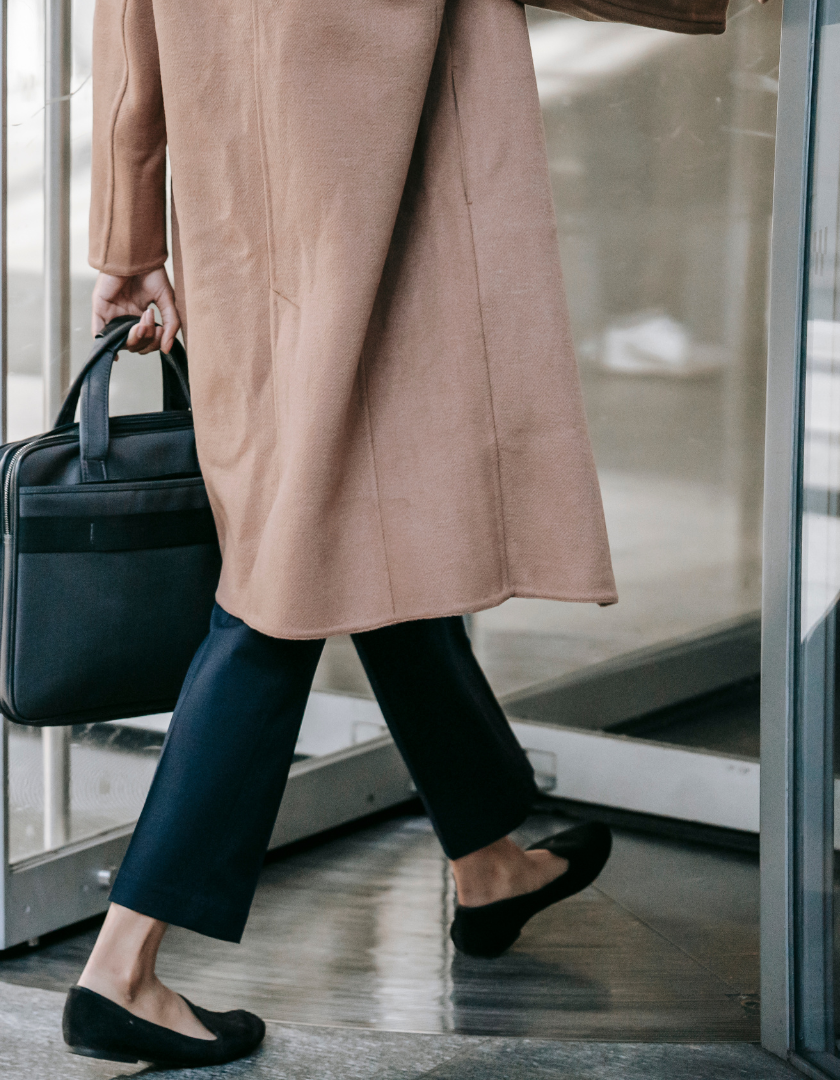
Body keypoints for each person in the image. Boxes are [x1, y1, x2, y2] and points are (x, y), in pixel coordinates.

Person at [60, 0, 738, 1067]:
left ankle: (488, 858)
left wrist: (129, 235)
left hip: (245, 214)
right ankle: (123, 964)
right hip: (375, 196)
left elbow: (128, 23)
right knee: (291, 574)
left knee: (362, 524)